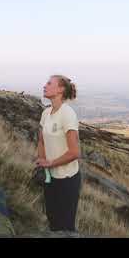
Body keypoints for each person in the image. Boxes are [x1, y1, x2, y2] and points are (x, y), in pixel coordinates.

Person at [35, 75, 82, 232]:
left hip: (67, 180)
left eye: (49, 83)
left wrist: (50, 163)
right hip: (50, 178)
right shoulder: (46, 113)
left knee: (66, 227)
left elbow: (75, 152)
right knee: (53, 222)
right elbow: (41, 140)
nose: (45, 86)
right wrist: (42, 162)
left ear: (60, 89)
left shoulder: (67, 114)